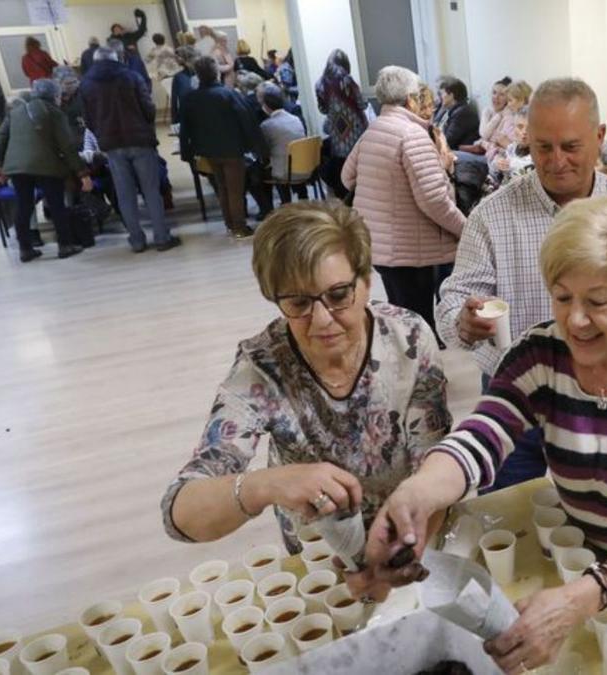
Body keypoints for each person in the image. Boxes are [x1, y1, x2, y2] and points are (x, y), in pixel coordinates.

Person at [366, 193, 607, 667]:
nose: (575, 320)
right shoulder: (540, 354)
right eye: (562, 297)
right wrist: (416, 495)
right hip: (590, 551)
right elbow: (481, 436)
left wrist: (585, 594)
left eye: (598, 302)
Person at [160, 201, 451, 555]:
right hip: (322, 550)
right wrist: (264, 484)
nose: (323, 320)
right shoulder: (262, 367)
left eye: (339, 295)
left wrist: (405, 550)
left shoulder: (410, 338)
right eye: (298, 303)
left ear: (366, 282)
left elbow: (433, 463)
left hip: (409, 528)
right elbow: (180, 513)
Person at [434, 77, 607, 491]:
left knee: (600, 512)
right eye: (543, 147)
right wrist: (463, 320)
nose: (556, 161)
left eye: (571, 146)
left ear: (599, 137)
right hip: (516, 393)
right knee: (505, 511)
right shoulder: (492, 216)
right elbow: (454, 296)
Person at [342, 66, 465, 340]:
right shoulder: (412, 135)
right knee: (418, 323)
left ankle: (411, 373)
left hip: (381, 244)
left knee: (403, 316)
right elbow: (434, 201)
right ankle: (425, 377)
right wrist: (466, 230)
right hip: (412, 249)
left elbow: (346, 177)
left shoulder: (374, 129)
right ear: (410, 99)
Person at [80, 46, 177, 252]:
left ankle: (137, 240)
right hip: (140, 140)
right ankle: (161, 237)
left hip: (112, 145)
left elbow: (88, 119)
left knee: (125, 194)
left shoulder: (87, 84)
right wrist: (144, 125)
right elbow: (148, 108)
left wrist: (102, 133)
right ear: (117, 58)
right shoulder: (131, 77)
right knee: (151, 191)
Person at [0, 79, 92, 262]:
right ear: (55, 96)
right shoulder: (54, 113)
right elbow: (67, 146)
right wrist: (82, 173)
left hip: (17, 168)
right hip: (46, 166)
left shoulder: (16, 111)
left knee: (24, 205)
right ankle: (65, 245)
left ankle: (25, 248)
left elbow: (1, 137)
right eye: (59, 96)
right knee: (56, 205)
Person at [178, 55, 264, 239]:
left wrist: (186, 153)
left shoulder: (189, 98)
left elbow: (185, 128)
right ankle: (240, 227)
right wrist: (256, 147)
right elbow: (247, 122)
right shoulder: (229, 94)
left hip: (208, 151)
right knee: (235, 189)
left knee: (222, 187)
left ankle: (229, 224)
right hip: (232, 149)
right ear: (216, 72)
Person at [315, 49, 369, 199]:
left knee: (341, 167)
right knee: (358, 167)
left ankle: (344, 196)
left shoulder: (320, 83)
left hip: (337, 133)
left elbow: (322, 109)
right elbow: (362, 104)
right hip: (357, 131)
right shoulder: (348, 80)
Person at [458, 79, 530, 167]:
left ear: (522, 100)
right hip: (495, 157)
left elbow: (512, 149)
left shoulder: (515, 119)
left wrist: (486, 144)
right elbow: (496, 139)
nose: (508, 104)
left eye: (510, 100)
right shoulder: (508, 116)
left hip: (495, 158)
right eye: (494, 92)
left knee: (456, 157)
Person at [258, 83, 308, 203]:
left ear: (265, 105)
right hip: (305, 167)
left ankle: (273, 208)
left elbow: (264, 151)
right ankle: (304, 200)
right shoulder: (296, 119)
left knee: (257, 174)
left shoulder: (266, 125)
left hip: (284, 172)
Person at [434, 75, 480, 150]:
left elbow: (448, 141)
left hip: (463, 151)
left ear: (451, 95)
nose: (439, 97)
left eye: (442, 93)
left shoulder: (463, 112)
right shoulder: (449, 109)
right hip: (453, 149)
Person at [170, 46, 198, 124]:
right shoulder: (178, 77)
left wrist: (175, 120)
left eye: (177, 57)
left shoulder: (179, 77)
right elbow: (174, 100)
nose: (175, 59)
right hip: (188, 114)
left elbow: (174, 101)